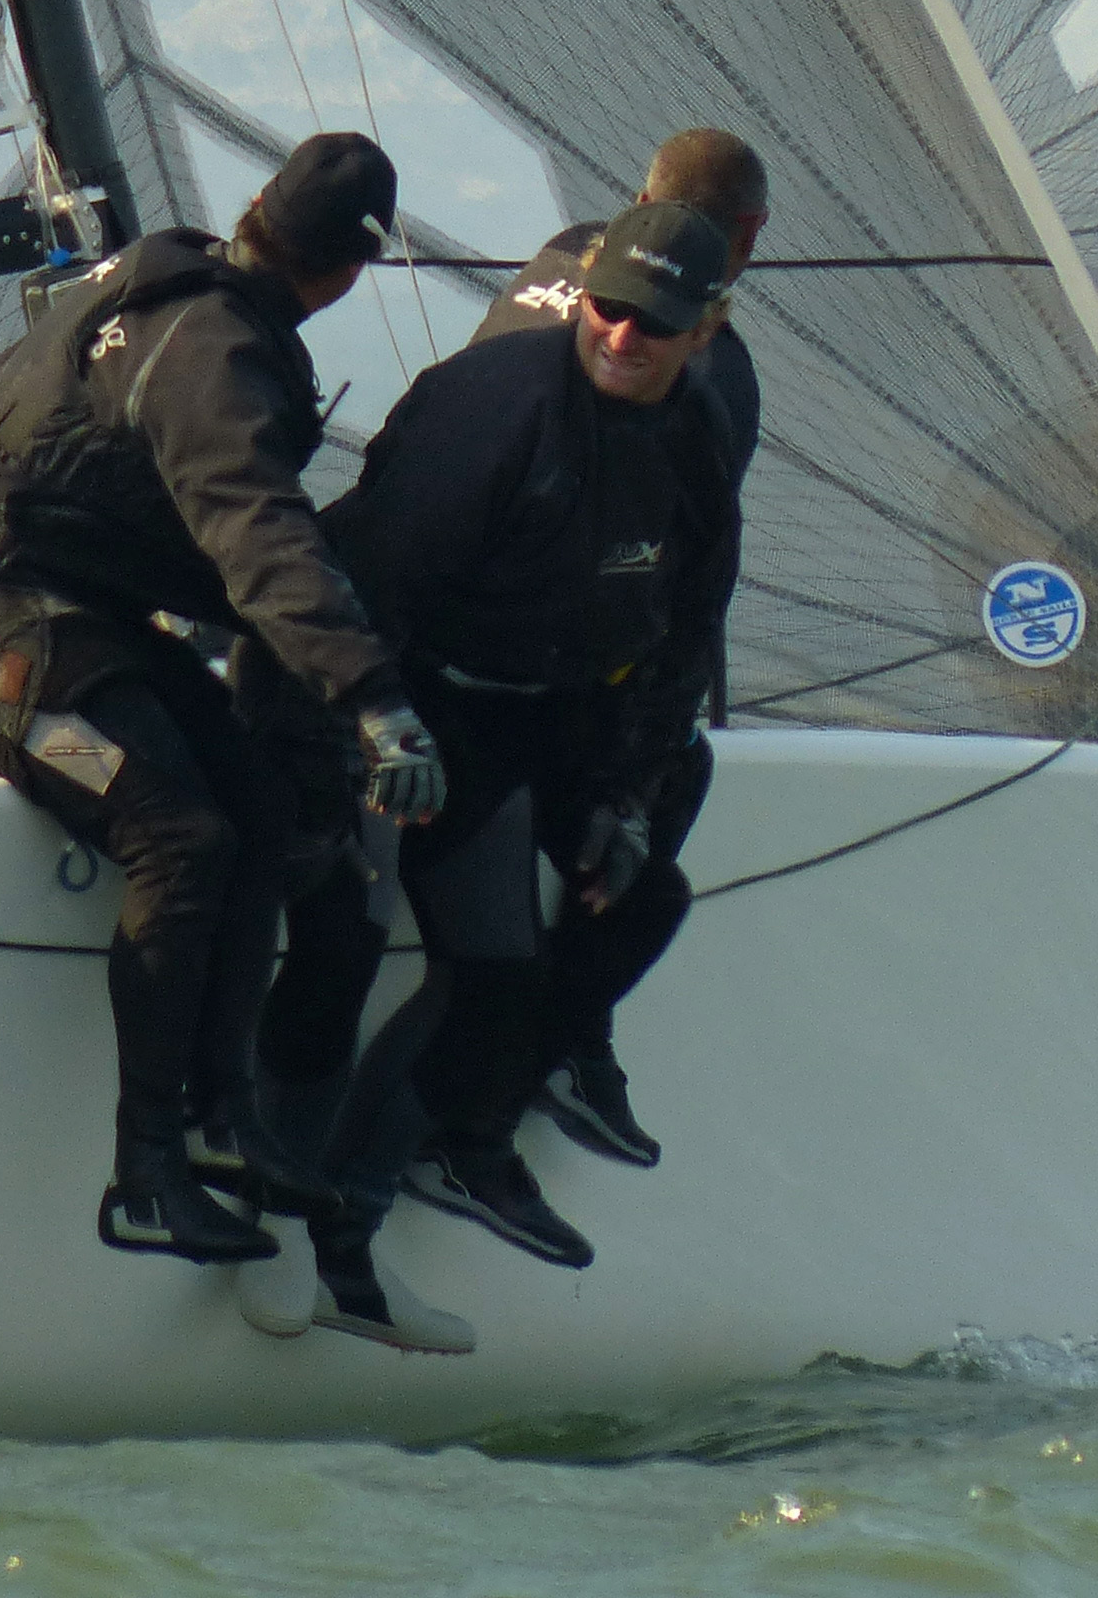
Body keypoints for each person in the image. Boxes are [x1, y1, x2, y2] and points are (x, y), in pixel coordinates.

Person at [0, 134, 445, 1267]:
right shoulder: (214, 350)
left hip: (62, 617)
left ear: (255, 209)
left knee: (257, 805)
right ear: (349, 271)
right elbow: (257, 532)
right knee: (179, 835)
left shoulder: (160, 283)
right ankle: (144, 1172)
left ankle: (222, 1122)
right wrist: (375, 698)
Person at [247, 203, 737, 1343]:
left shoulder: (695, 433)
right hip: (402, 697)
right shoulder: (495, 408)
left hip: (543, 708)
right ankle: (318, 1228)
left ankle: (455, 1139)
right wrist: (374, 727)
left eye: (655, 323)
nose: (622, 335)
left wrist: (625, 797)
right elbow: (358, 584)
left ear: (707, 328)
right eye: (607, 307)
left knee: (640, 902)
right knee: (448, 958)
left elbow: (684, 632)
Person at [473, 130, 766, 1169]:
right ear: (749, 238)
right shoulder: (711, 368)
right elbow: (679, 586)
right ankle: (567, 1040)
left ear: (641, 196)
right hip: (523, 669)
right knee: (674, 768)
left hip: (439, 615)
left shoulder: (560, 257)